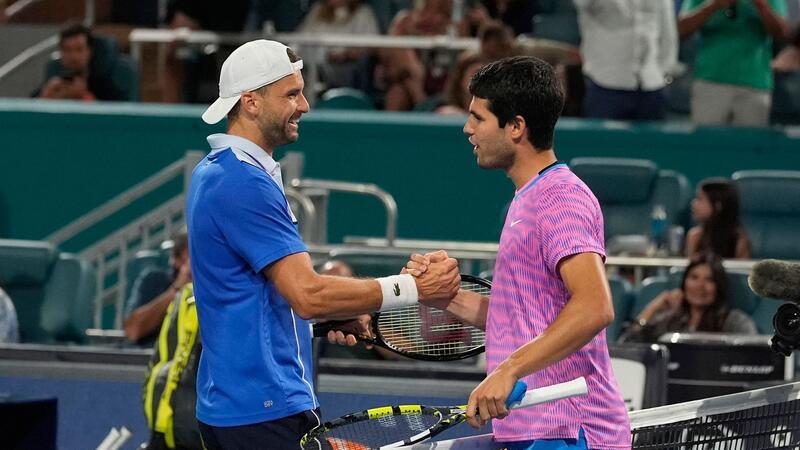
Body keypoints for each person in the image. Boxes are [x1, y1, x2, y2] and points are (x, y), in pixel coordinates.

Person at [186, 39, 460, 449]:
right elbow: (308, 294)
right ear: (251, 102)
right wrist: (413, 290)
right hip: (264, 408)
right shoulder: (244, 183)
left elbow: (250, 295)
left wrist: (325, 320)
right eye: (291, 94)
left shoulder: (216, 172)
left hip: (236, 406)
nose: (305, 106)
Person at [407, 56, 630, 449]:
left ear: (516, 127)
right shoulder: (526, 201)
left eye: (478, 118)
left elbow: (596, 307)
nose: (467, 128)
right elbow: (519, 320)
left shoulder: (560, 197)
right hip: (534, 429)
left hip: (571, 431)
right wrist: (446, 296)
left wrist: (509, 370)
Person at [678, 0, 789, 127]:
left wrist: (761, 5)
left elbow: (783, 33)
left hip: (755, 82)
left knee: (750, 143)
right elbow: (681, 29)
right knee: (707, 142)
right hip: (710, 81)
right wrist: (714, 5)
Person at [574, 0, 678, 121]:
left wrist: (664, 72)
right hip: (606, 85)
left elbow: (668, 32)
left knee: (651, 139)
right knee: (604, 140)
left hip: (652, 87)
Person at [619, 254, 757, 343]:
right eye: (694, 278)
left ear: (719, 286)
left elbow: (752, 356)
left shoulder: (735, 321)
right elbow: (627, 345)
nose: (700, 286)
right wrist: (652, 308)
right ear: (684, 283)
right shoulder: (670, 319)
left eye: (709, 280)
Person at [142, 283, 202, 450]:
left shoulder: (241, 298)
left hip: (212, 435)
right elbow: (159, 362)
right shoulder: (185, 297)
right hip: (166, 433)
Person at [124, 230, 191, 347]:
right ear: (176, 260)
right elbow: (133, 330)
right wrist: (177, 288)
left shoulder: (215, 286)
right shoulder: (154, 279)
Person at [36, 24, 136, 101]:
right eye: (67, 50)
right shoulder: (54, 74)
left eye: (79, 49)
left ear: (89, 51)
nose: (73, 56)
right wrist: (46, 95)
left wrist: (83, 95)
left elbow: (116, 117)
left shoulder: (108, 77)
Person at [297, 0, 381, 91]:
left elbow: (372, 44)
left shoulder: (363, 12)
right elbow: (301, 37)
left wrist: (348, 55)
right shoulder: (318, 10)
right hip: (315, 63)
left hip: (348, 66)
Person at [685, 178, 752, 259]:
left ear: (718, 206)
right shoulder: (694, 236)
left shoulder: (739, 241)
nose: (694, 203)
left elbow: (742, 271)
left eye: (700, 199)